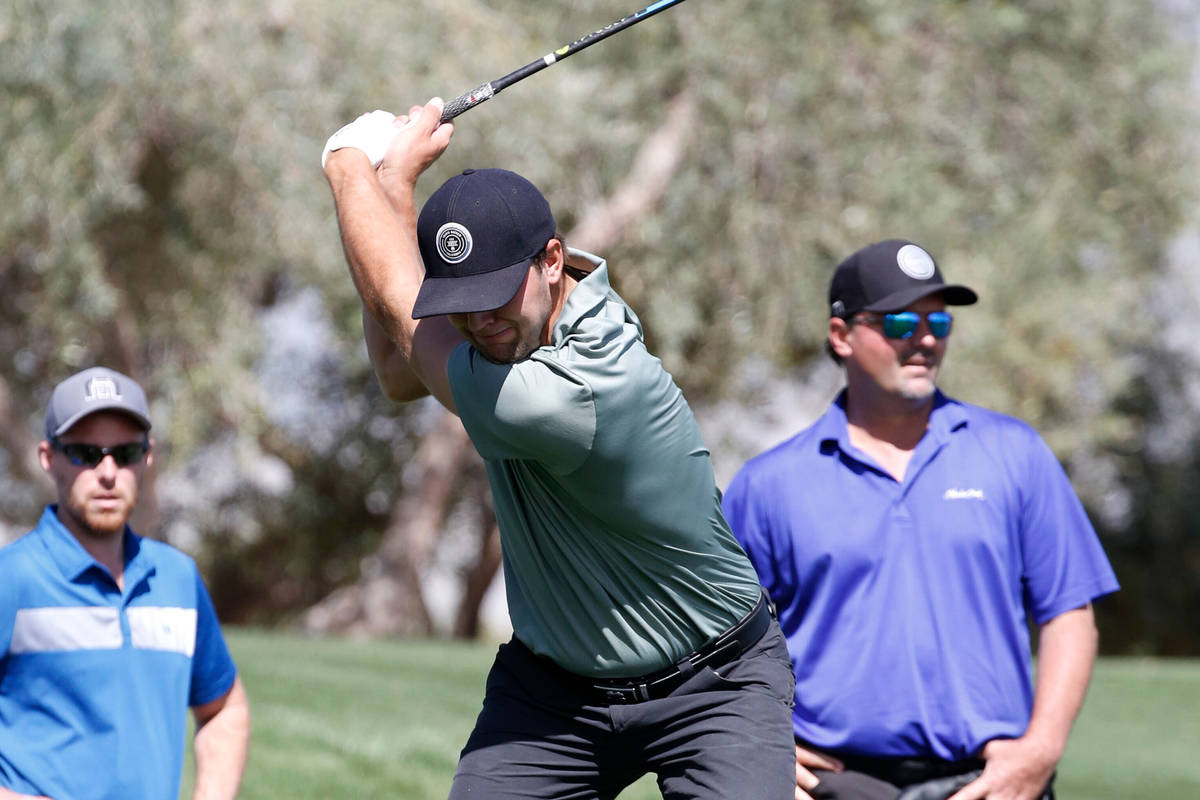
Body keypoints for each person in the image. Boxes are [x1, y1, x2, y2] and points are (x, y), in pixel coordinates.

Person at [321, 100, 796, 799]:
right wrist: (394, 190)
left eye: (496, 295)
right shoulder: (522, 329)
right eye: (462, 299)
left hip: (714, 679)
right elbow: (401, 366)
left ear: (551, 260)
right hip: (555, 690)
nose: (481, 321)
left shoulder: (580, 390)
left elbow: (399, 310)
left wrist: (348, 166)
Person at [722, 239, 1120, 800]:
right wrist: (758, 743)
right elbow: (719, 643)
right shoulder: (769, 485)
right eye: (901, 321)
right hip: (833, 785)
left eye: (939, 320)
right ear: (841, 336)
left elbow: (1069, 613)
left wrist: (1042, 749)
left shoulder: (1015, 453)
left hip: (990, 784)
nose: (926, 338)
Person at [0, 367, 250, 800]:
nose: (109, 472)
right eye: (84, 453)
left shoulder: (177, 578)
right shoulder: (12, 578)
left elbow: (224, 709)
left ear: (147, 457)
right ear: (48, 457)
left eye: (127, 452)